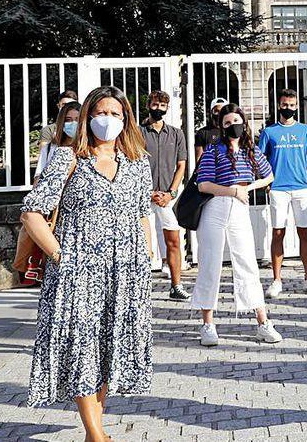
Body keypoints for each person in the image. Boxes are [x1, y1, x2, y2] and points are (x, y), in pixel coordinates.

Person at [18, 86, 153, 441]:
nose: (106, 120)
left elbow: (142, 214)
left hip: (125, 272)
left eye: (114, 113)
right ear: (88, 117)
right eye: (100, 113)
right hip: (78, 274)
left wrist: (147, 259)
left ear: (125, 120)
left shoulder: (138, 162)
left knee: (109, 347)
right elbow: (31, 212)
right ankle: (95, 434)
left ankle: (98, 427)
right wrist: (60, 255)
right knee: (81, 347)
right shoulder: (68, 158)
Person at [192, 104, 283, 346]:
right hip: (215, 208)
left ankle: (263, 322)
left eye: (237, 121)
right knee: (210, 263)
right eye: (227, 123)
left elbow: (268, 175)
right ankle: (207, 324)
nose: (234, 126)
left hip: (239, 209)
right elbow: (203, 185)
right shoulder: (214, 150)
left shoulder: (250, 150)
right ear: (221, 127)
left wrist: (246, 189)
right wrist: (233, 191)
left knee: (247, 263)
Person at [259, 89, 307, 297]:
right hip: (278, 189)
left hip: (302, 188)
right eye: (285, 105)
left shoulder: (305, 130)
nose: (288, 108)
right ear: (279, 105)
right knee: (278, 233)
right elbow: (260, 160)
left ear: (297, 106)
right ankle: (276, 280)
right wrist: (267, 183)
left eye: (292, 105)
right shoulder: (269, 132)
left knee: (305, 233)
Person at [142, 90, 190, 300]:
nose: (158, 109)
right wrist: (147, 191)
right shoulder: (137, 132)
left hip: (167, 199)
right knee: (143, 244)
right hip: (143, 196)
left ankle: (176, 285)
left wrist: (171, 193)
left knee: (174, 240)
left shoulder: (176, 133)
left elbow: (182, 165)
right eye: (155, 105)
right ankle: (140, 289)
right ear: (148, 105)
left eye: (162, 106)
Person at [35, 101, 81, 182]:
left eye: (77, 119)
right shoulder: (49, 148)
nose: (73, 123)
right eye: (68, 120)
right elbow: (39, 177)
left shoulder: (90, 148)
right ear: (61, 122)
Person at [194, 97, 229, 164]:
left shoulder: (230, 131)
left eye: (222, 111)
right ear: (211, 112)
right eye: (216, 111)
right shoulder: (202, 133)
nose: (219, 114)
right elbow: (199, 160)